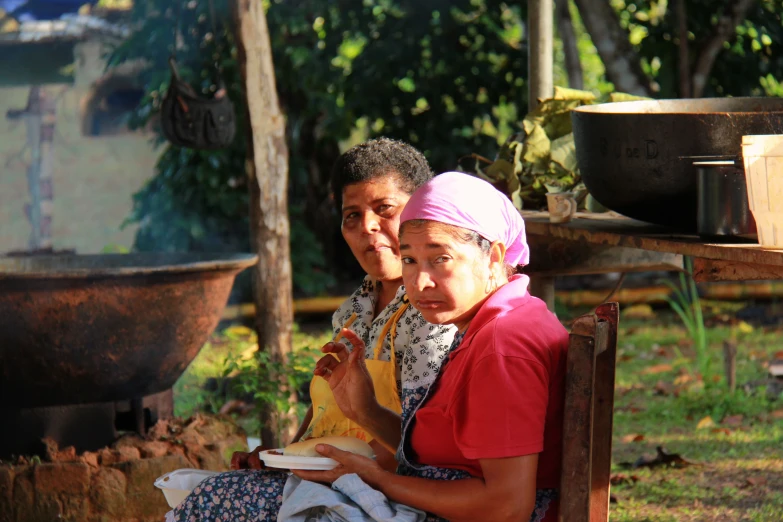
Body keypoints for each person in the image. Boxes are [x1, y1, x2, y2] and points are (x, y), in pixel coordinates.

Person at [167, 138, 457, 522]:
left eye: (384, 209)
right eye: (351, 214)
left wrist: (315, 472)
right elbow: (324, 408)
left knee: (212, 500)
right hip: (324, 478)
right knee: (197, 492)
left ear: (420, 210)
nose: (367, 226)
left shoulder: (433, 310)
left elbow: (422, 440)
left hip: (387, 488)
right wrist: (282, 457)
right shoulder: (351, 313)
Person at [294, 171, 569, 522]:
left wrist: (377, 479)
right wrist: (366, 411)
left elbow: (506, 507)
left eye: (440, 259)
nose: (420, 282)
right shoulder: (494, 325)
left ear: (494, 257)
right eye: (409, 260)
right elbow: (438, 458)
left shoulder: (502, 345)